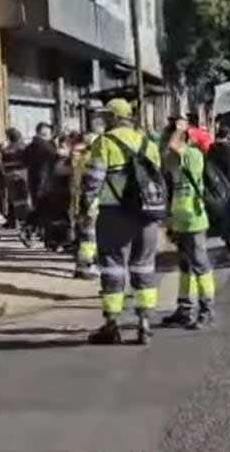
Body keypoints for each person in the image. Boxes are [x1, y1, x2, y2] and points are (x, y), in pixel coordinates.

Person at [80, 98, 162, 345]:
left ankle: (111, 325)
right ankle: (144, 323)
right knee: (144, 267)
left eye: (106, 116)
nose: (103, 120)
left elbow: (94, 180)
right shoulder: (148, 143)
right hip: (148, 215)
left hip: (114, 214)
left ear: (114, 117)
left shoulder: (104, 143)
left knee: (113, 267)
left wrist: (84, 206)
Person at [161, 121, 217, 329]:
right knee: (185, 267)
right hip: (180, 220)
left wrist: (180, 128)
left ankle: (206, 310)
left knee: (201, 265)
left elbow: (174, 146)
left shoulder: (193, 155)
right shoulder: (175, 161)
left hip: (194, 218)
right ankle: (184, 310)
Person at [72, 112, 108, 280]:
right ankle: (87, 267)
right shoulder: (92, 158)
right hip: (91, 200)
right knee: (90, 236)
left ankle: (82, 266)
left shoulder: (80, 157)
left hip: (81, 199)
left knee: (85, 235)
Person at [21, 122, 56, 245]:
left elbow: (24, 161)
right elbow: (56, 157)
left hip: (35, 181)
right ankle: (29, 230)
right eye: (47, 134)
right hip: (45, 182)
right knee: (45, 210)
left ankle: (31, 231)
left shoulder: (30, 147)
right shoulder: (45, 146)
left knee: (41, 209)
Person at [38, 135, 75, 252]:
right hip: (56, 191)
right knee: (56, 217)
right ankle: (55, 242)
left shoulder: (66, 159)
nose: (62, 148)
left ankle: (60, 241)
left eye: (65, 146)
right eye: (61, 145)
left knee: (61, 217)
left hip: (63, 191)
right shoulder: (54, 158)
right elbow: (56, 172)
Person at [0, 128, 29, 230]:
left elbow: (2, 165)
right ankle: (25, 224)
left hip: (10, 177)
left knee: (13, 201)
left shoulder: (5, 150)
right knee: (23, 201)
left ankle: (16, 222)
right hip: (22, 177)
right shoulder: (23, 148)